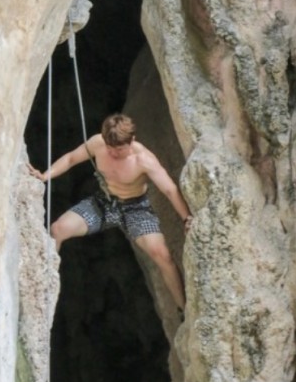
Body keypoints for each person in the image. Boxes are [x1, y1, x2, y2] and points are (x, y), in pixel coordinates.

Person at [28, 113, 192, 311]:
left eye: (119, 150)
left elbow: (169, 189)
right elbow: (71, 159)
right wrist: (45, 176)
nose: (113, 154)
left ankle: (183, 309)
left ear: (132, 141)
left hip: (135, 208)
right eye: (110, 148)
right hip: (104, 202)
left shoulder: (144, 159)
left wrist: (186, 218)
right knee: (58, 229)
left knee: (162, 255)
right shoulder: (98, 143)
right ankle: (42, 288)